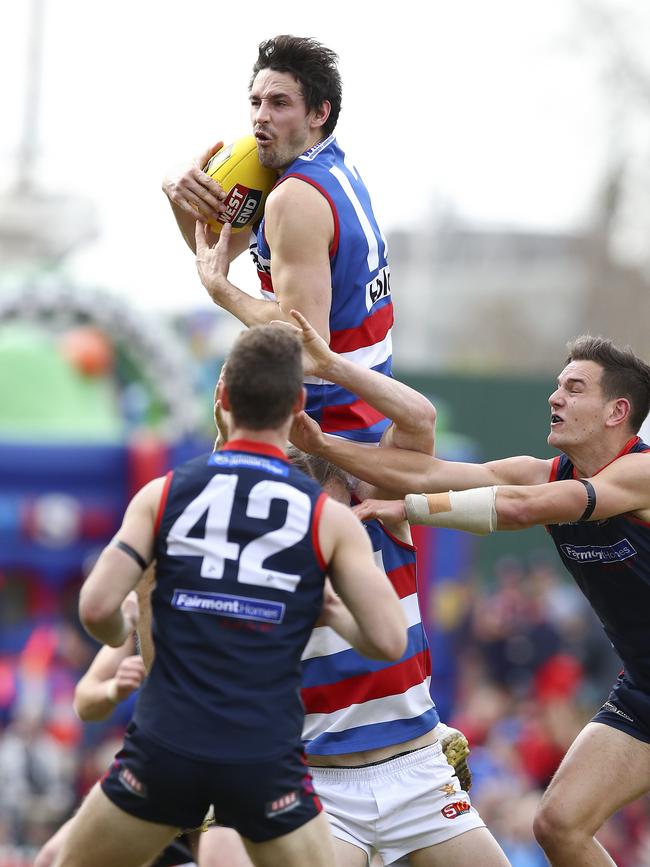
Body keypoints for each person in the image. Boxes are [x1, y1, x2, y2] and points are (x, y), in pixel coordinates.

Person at [52, 325, 407, 867]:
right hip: (265, 760)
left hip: (165, 749)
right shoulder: (327, 519)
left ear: (222, 400)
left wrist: (119, 632)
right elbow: (387, 641)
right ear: (298, 404)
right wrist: (334, 612)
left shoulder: (163, 494)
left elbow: (96, 608)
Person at [308, 334, 650, 867]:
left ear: (617, 411)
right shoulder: (545, 472)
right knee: (558, 825)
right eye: (556, 386)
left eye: (573, 389)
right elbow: (427, 471)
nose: (554, 398)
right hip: (644, 688)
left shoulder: (641, 473)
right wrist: (321, 444)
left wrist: (408, 508)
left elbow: (518, 508)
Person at [265, 310, 510, 867]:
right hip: (322, 784)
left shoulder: (381, 516)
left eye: (337, 500)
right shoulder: (268, 557)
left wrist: (329, 369)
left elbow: (419, 419)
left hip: (418, 772)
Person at [163, 34, 395, 443]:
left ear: (319, 113)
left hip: (324, 425)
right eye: (256, 102)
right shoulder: (328, 167)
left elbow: (306, 339)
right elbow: (219, 247)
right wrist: (176, 192)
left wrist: (222, 292)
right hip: (366, 412)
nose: (260, 117)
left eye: (279, 103)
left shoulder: (294, 197)